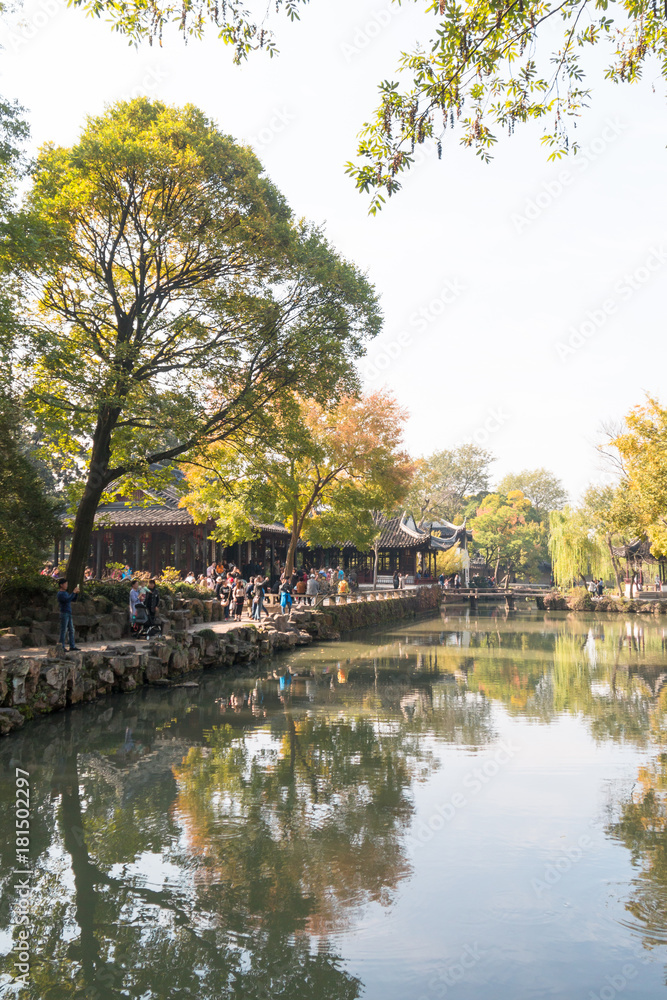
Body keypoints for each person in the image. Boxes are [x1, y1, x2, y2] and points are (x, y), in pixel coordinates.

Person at [58, 579, 81, 653]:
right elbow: (67, 600)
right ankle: (61, 646)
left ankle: (72, 646)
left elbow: (72, 599)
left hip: (69, 613)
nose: (66, 585)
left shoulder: (66, 593)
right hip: (64, 613)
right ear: (61, 585)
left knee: (71, 630)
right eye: (65, 584)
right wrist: (73, 592)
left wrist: (76, 594)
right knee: (63, 630)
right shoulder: (60, 594)